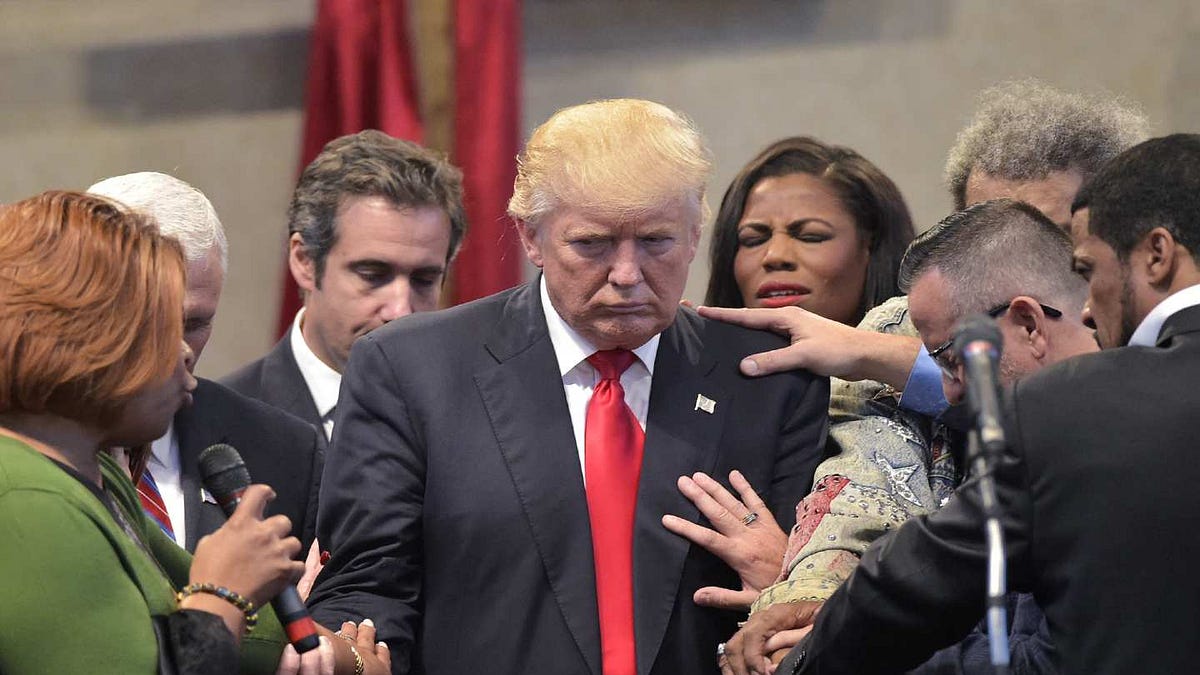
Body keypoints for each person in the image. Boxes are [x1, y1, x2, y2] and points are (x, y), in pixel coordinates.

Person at [308, 98, 831, 675]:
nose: (627, 274)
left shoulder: (769, 379)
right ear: (530, 237)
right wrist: (351, 658)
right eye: (592, 244)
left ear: (694, 234)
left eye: (656, 241)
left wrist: (794, 583)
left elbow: (818, 613)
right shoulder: (412, 370)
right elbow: (367, 593)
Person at [764, 133, 1200, 675]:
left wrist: (804, 662)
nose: (1087, 306)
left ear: (1157, 254)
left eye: (1087, 268)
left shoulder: (1075, 407)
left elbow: (916, 582)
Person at [723, 199, 1099, 673]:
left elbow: (1051, 662)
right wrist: (821, 607)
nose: (947, 392)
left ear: (1029, 324)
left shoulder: (1115, 449)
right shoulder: (1044, 442)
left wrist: (844, 654)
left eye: (950, 359)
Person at [0, 190, 302, 674]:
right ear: (78, 336)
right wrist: (223, 594)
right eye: (160, 327)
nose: (184, 351)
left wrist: (348, 657)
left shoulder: (94, 468)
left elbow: (253, 638)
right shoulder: (26, 494)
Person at [89, 172, 323, 555]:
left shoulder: (286, 449)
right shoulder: (24, 454)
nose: (178, 349)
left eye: (194, 324)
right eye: (151, 321)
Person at [222, 130, 466, 443]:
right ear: (305, 261)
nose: (400, 311)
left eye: (424, 280)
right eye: (372, 275)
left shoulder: (475, 416)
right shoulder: (223, 423)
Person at [704, 136, 914, 325]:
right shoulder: (693, 352)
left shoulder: (925, 355)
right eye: (753, 240)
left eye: (811, 237)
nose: (774, 255)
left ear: (871, 245)